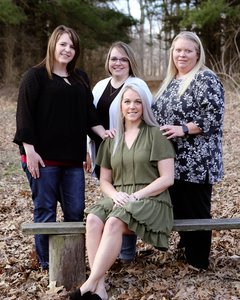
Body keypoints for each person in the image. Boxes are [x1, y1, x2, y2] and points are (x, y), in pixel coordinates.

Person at [13, 25, 113, 270]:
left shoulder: (80, 78)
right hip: (42, 158)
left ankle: (72, 260)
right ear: (53, 45)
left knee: (76, 210)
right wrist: (29, 149)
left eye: (72, 46)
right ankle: (48, 263)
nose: (68, 49)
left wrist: (103, 132)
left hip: (72, 160)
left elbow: (89, 113)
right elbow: (24, 114)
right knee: (45, 209)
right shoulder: (35, 76)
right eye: (63, 44)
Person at [68, 83, 175, 300]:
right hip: (120, 195)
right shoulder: (111, 139)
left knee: (114, 221)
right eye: (127, 102)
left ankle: (87, 285)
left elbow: (167, 178)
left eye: (137, 102)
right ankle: (100, 288)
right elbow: (105, 181)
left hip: (151, 198)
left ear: (144, 106)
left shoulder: (156, 134)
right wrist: (115, 195)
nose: (132, 106)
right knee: (93, 220)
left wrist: (137, 195)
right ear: (120, 107)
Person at [152, 31, 225, 270]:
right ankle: (185, 250)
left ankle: (199, 261)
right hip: (172, 160)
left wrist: (183, 129)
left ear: (197, 54)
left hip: (197, 160)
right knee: (180, 207)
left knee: (196, 210)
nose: (181, 55)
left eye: (187, 51)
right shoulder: (171, 81)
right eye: (177, 50)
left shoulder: (205, 79)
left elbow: (213, 118)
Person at [88, 41, 153, 263]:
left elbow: (147, 119)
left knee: (126, 195)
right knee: (112, 197)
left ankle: (126, 254)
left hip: (129, 153)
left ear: (130, 62)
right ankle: (109, 253)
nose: (118, 63)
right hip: (103, 152)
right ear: (108, 62)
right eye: (114, 58)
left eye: (123, 59)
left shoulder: (138, 85)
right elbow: (90, 119)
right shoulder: (100, 86)